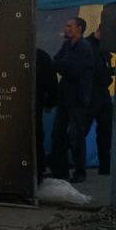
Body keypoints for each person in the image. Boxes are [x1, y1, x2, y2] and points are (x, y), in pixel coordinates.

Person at [50, 17, 95, 183]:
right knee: (58, 134)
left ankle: (80, 171)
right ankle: (60, 171)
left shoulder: (84, 48)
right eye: (66, 25)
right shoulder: (67, 45)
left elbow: (74, 70)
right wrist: (64, 65)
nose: (66, 28)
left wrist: (63, 65)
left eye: (69, 26)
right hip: (64, 98)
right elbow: (57, 62)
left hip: (77, 99)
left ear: (79, 28)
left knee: (76, 136)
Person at [86, 25, 114, 175]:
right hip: (91, 95)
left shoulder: (103, 48)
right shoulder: (87, 46)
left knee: (105, 132)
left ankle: (105, 166)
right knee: (79, 132)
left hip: (102, 94)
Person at [33, 48, 58, 183]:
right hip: (35, 105)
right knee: (36, 137)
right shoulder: (41, 55)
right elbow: (52, 82)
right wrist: (50, 102)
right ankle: (37, 173)